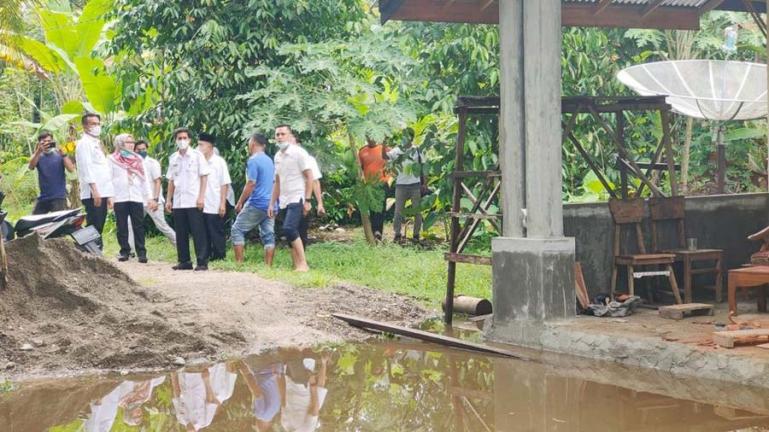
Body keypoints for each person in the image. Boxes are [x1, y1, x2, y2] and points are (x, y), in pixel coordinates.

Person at [268, 124, 312, 272]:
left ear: (289, 135)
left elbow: (309, 176)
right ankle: (297, 265)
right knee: (291, 232)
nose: (280, 137)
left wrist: (307, 200)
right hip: (284, 199)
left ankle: (303, 264)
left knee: (289, 229)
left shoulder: (299, 153)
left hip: (297, 196)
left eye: (283, 134)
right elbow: (277, 182)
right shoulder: (277, 156)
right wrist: (271, 203)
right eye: (277, 134)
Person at [166, 128, 210, 271]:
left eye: (185, 138)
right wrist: (168, 199)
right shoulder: (173, 158)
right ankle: (184, 261)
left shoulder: (197, 156)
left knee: (198, 231)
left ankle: (202, 262)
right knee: (181, 232)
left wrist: (201, 197)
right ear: (175, 140)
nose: (182, 141)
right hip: (179, 201)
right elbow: (171, 181)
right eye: (179, 138)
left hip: (193, 199)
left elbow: (204, 177)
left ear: (190, 140)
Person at [232, 133, 276, 265]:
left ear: (253, 144)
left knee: (237, 229)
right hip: (270, 203)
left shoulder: (253, 160)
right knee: (268, 234)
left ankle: (239, 263)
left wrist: (240, 202)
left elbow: (251, 182)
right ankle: (268, 266)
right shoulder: (269, 160)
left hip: (257, 202)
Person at [110, 133, 154, 263]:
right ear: (120, 143)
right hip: (120, 196)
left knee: (138, 225)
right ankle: (124, 251)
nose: (130, 144)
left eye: (131, 142)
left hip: (136, 196)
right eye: (127, 142)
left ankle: (142, 253)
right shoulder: (112, 159)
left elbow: (144, 180)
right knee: (121, 225)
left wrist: (149, 197)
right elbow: (109, 178)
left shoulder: (138, 160)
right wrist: (110, 197)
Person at [75, 113, 115, 245]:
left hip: (103, 190)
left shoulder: (97, 143)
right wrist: (95, 190)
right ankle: (85, 249)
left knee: (98, 225)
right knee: (94, 225)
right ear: (85, 126)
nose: (97, 127)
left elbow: (103, 171)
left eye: (98, 124)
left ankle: (92, 251)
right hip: (93, 192)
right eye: (93, 124)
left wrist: (109, 194)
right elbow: (86, 168)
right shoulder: (84, 144)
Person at [134, 140, 176, 246]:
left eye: (144, 149)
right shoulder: (133, 164)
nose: (142, 151)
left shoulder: (153, 163)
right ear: (134, 150)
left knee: (161, 225)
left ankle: (180, 246)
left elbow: (158, 181)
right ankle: (131, 251)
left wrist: (155, 199)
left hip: (152, 200)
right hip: (138, 200)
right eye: (139, 150)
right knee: (131, 224)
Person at [197, 133, 231, 261]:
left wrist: (222, 203)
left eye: (202, 145)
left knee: (216, 230)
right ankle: (205, 256)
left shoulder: (219, 162)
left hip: (214, 201)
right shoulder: (198, 161)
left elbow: (224, 184)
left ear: (210, 146)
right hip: (200, 202)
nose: (199, 147)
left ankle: (219, 256)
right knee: (202, 232)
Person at [387, 142, 427, 243]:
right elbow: (386, 157)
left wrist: (425, 183)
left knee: (417, 211)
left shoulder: (418, 150)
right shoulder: (397, 150)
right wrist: (383, 145)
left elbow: (424, 166)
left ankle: (416, 235)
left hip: (415, 185)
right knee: (398, 211)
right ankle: (397, 234)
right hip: (401, 185)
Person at [28, 131, 75, 214]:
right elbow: (31, 166)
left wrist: (64, 155)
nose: (47, 143)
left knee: (60, 223)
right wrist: (38, 151)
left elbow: (71, 169)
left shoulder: (59, 154)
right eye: (43, 142)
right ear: (39, 144)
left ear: (53, 141)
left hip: (59, 197)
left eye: (49, 141)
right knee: (35, 221)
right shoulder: (38, 156)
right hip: (43, 197)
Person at [358, 138, 390, 241]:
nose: (370, 139)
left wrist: (389, 178)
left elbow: (392, 162)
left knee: (380, 208)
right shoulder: (362, 151)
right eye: (368, 137)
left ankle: (378, 232)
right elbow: (360, 168)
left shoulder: (384, 149)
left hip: (382, 182)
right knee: (372, 208)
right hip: (369, 184)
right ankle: (374, 232)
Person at [298, 142, 324, 247]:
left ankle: (301, 258)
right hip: (287, 199)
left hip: (304, 199)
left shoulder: (309, 160)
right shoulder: (282, 158)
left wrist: (320, 204)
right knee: (289, 229)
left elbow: (315, 181)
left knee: (301, 229)